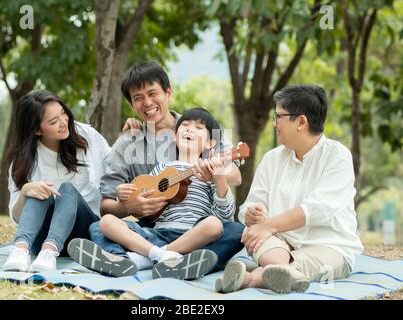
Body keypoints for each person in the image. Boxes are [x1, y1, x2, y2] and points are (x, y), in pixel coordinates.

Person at [67, 61, 245, 279]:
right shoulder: (127, 143)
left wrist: (216, 174)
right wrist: (128, 206)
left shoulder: (196, 126)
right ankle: (128, 260)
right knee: (99, 226)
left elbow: (235, 174)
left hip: (196, 226)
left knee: (234, 230)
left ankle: (147, 259)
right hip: (155, 227)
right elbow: (106, 206)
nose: (147, 102)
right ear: (131, 104)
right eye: (138, 98)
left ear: (168, 92)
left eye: (153, 93)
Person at [216, 84, 364, 294]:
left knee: (301, 261)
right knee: (253, 232)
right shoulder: (272, 158)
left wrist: (268, 226)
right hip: (277, 243)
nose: (274, 123)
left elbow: (317, 209)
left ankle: (250, 278)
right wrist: (252, 215)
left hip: (329, 246)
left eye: (279, 117)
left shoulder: (337, 156)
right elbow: (249, 205)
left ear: (301, 122)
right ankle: (280, 273)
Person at [2, 90, 110, 273]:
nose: (62, 122)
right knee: (38, 189)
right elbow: (17, 217)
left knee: (67, 189)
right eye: (53, 122)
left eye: (63, 113)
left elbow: (115, 165)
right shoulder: (23, 160)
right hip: (40, 237)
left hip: (83, 233)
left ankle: (50, 252)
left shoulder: (87, 136)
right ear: (37, 130)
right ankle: (20, 250)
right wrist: (26, 191)